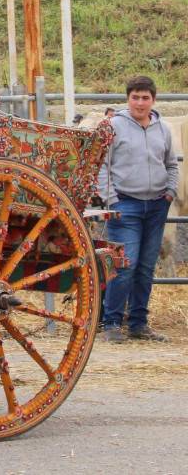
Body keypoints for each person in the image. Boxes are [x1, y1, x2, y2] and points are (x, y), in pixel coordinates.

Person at [96, 75, 178, 343]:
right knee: (125, 264)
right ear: (127, 98)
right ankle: (111, 323)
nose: (140, 103)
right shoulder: (113, 126)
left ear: (153, 100)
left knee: (145, 266)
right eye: (135, 97)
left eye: (145, 98)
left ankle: (138, 323)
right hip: (126, 204)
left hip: (156, 205)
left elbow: (172, 164)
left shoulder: (163, 129)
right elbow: (102, 166)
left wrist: (170, 192)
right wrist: (111, 200)